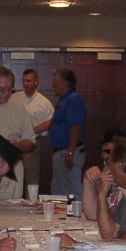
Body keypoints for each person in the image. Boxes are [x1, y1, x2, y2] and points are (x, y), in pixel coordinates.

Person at [0, 66, 35, 200]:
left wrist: (16, 145)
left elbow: (31, 143)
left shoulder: (19, 108)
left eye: (10, 89)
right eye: (2, 89)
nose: (6, 93)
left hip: (12, 174)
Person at [35, 67, 85, 197]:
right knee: (58, 190)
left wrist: (70, 152)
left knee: (72, 190)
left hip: (68, 152)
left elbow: (76, 127)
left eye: (55, 81)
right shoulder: (64, 99)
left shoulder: (73, 99)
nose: (53, 85)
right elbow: (52, 123)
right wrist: (30, 131)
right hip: (60, 152)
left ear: (62, 82)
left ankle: (76, 211)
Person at [9, 68, 53, 194]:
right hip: (14, 142)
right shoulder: (14, 98)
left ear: (36, 82)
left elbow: (50, 122)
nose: (25, 83)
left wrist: (30, 131)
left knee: (32, 177)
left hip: (32, 142)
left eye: (28, 81)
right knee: (13, 175)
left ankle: (31, 202)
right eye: (23, 81)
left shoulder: (43, 103)